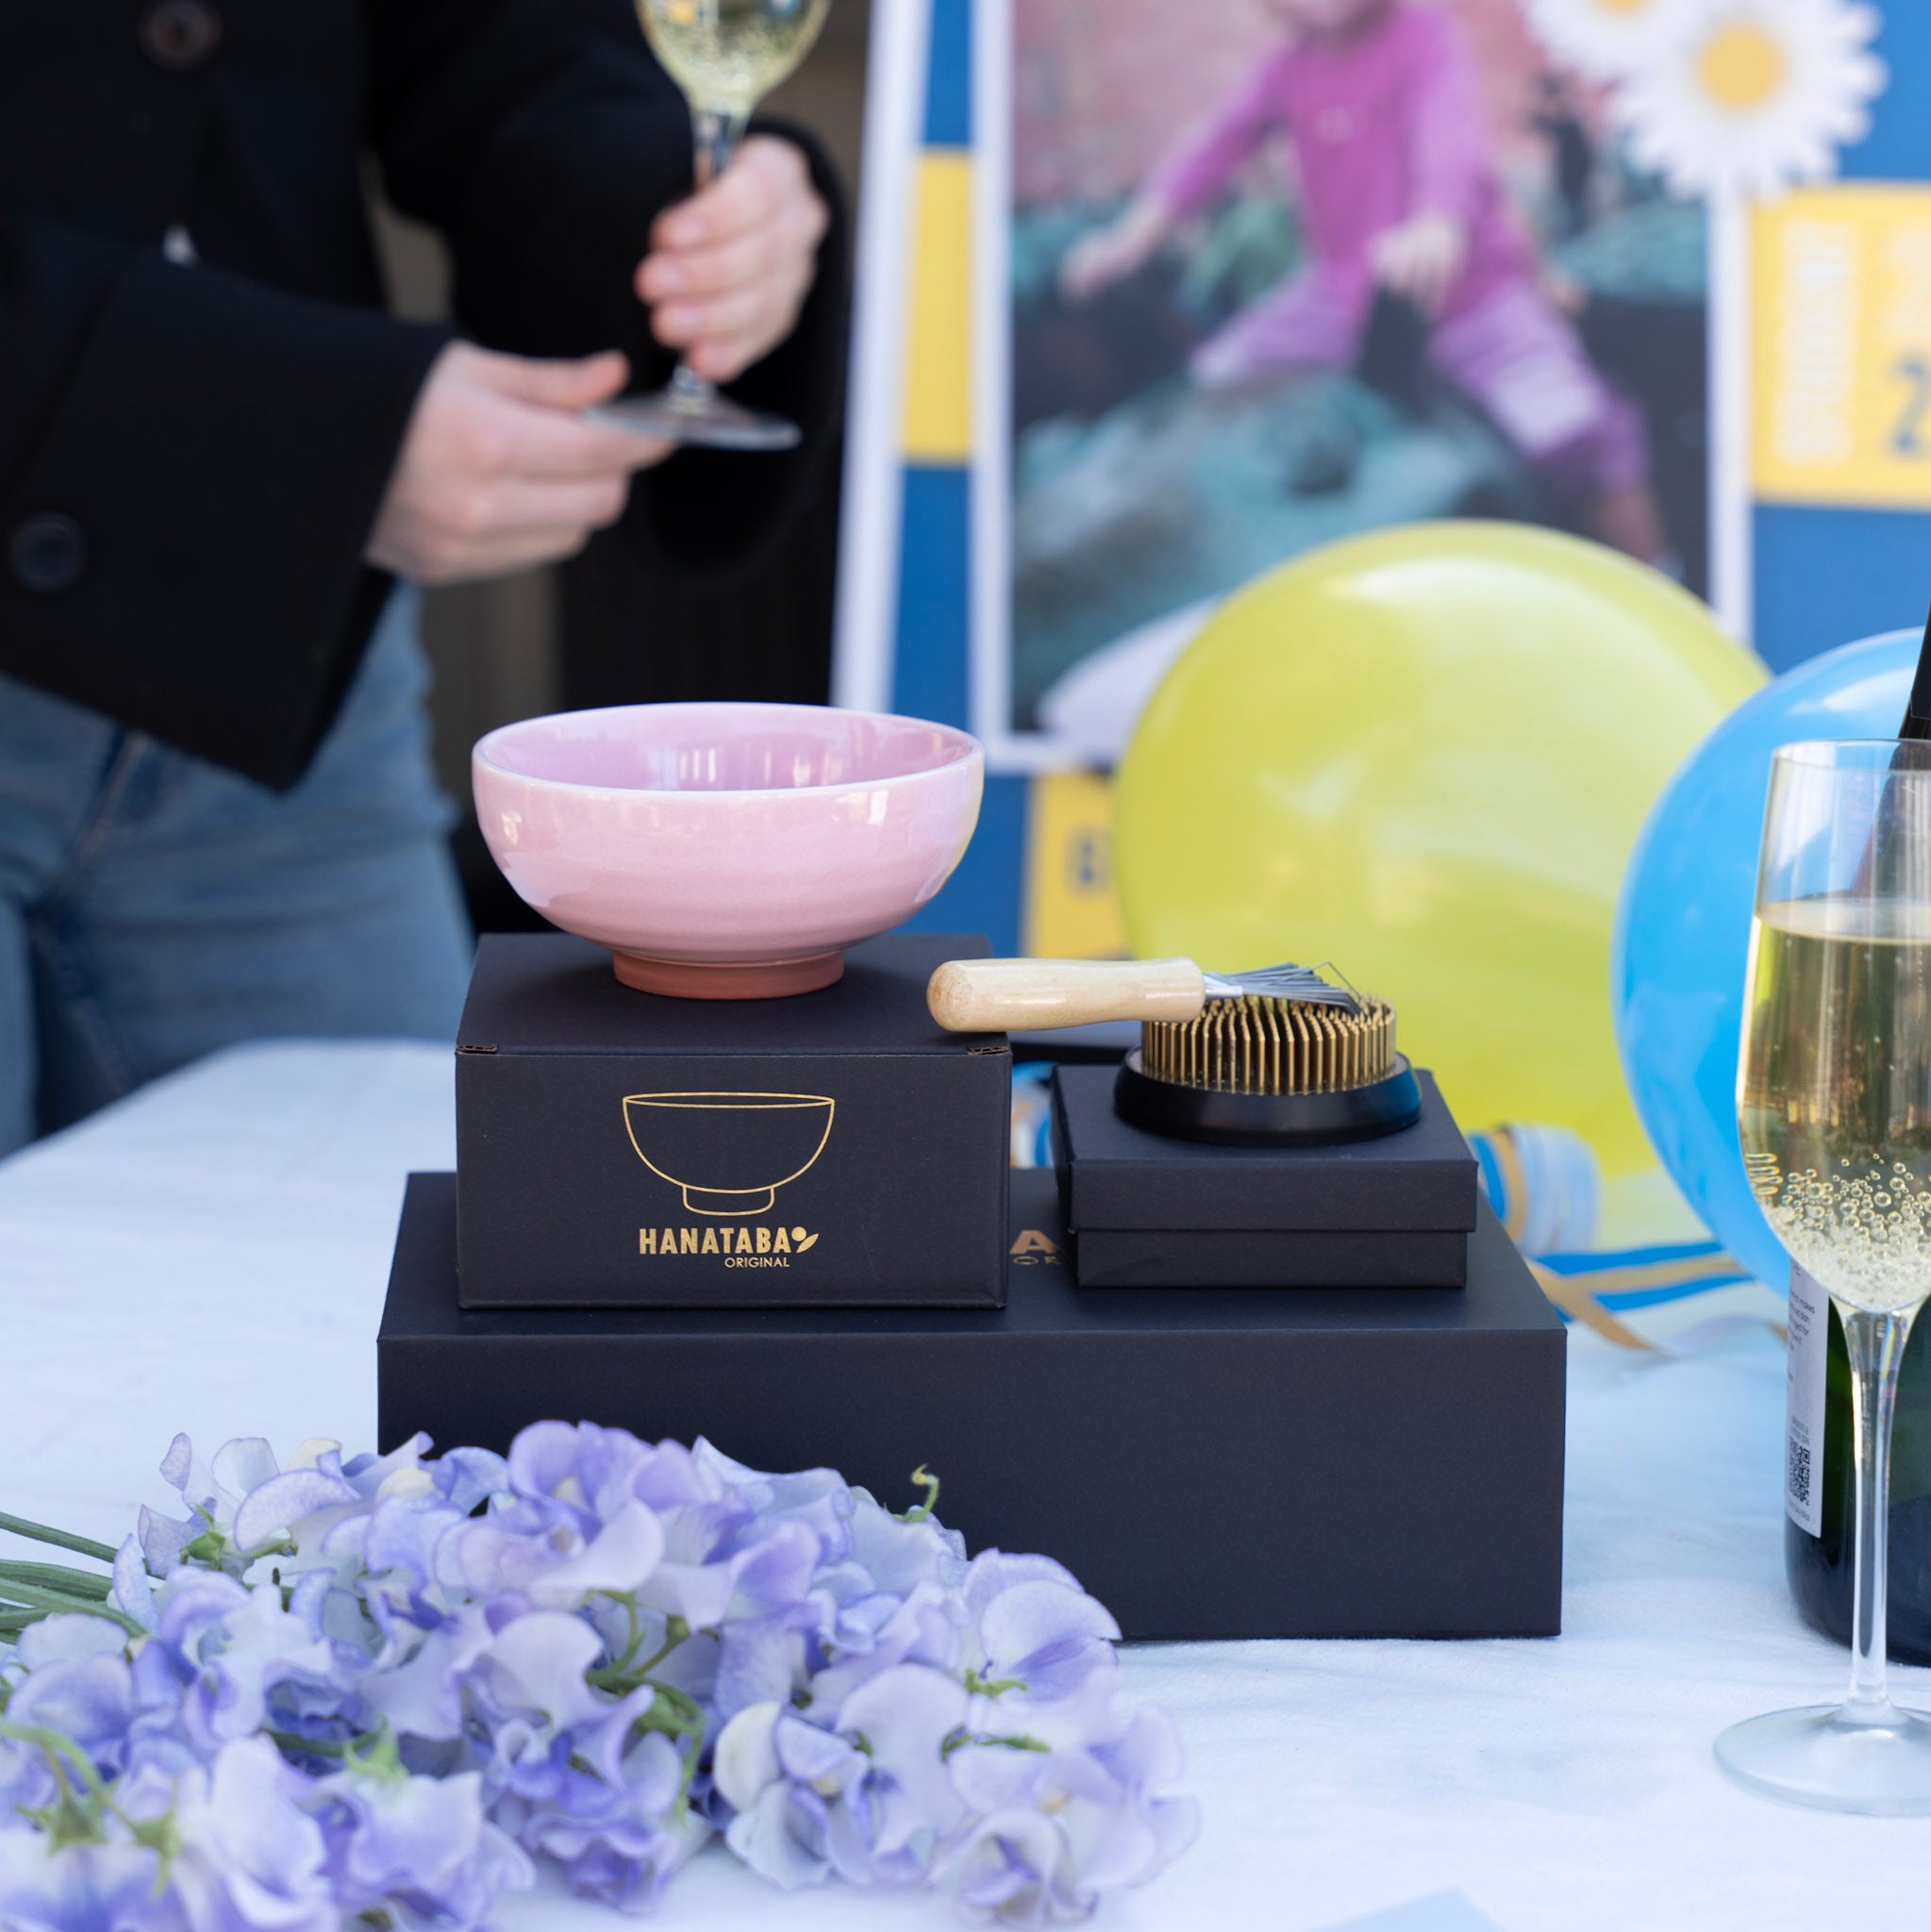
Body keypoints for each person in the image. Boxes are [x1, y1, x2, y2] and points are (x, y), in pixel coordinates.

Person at [0, 0, 843, 1158]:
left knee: (385, 1289)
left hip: (283, 682)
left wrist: (678, 218)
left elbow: (480, 43)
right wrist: (264, 427)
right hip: (303, 511)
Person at [1059, 0, 1665, 565]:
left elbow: (1447, 129)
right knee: (1217, 377)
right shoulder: (1287, 68)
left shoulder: (1419, 32)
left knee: (1570, 427)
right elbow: (1214, 145)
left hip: (1470, 293)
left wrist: (1436, 220)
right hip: (1339, 293)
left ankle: (1659, 576)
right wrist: (1131, 238)